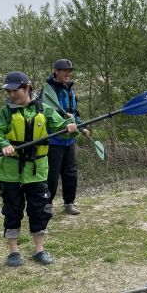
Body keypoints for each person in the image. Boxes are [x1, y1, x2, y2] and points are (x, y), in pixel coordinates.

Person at [0, 71, 76, 267]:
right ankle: (13, 251)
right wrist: (2, 143)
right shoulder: (4, 113)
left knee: (40, 209)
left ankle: (39, 250)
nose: (11, 95)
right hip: (10, 172)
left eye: (15, 90)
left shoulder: (43, 109)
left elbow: (61, 126)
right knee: (12, 210)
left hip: (37, 171)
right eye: (8, 91)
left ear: (27, 88)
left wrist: (70, 126)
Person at [39, 58, 90, 216]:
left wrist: (82, 127)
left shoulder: (70, 91)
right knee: (52, 175)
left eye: (69, 71)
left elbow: (75, 114)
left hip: (70, 140)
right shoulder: (48, 90)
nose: (67, 73)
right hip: (54, 140)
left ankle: (69, 203)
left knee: (71, 173)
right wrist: (64, 122)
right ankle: (46, 205)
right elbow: (46, 113)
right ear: (56, 71)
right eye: (64, 71)